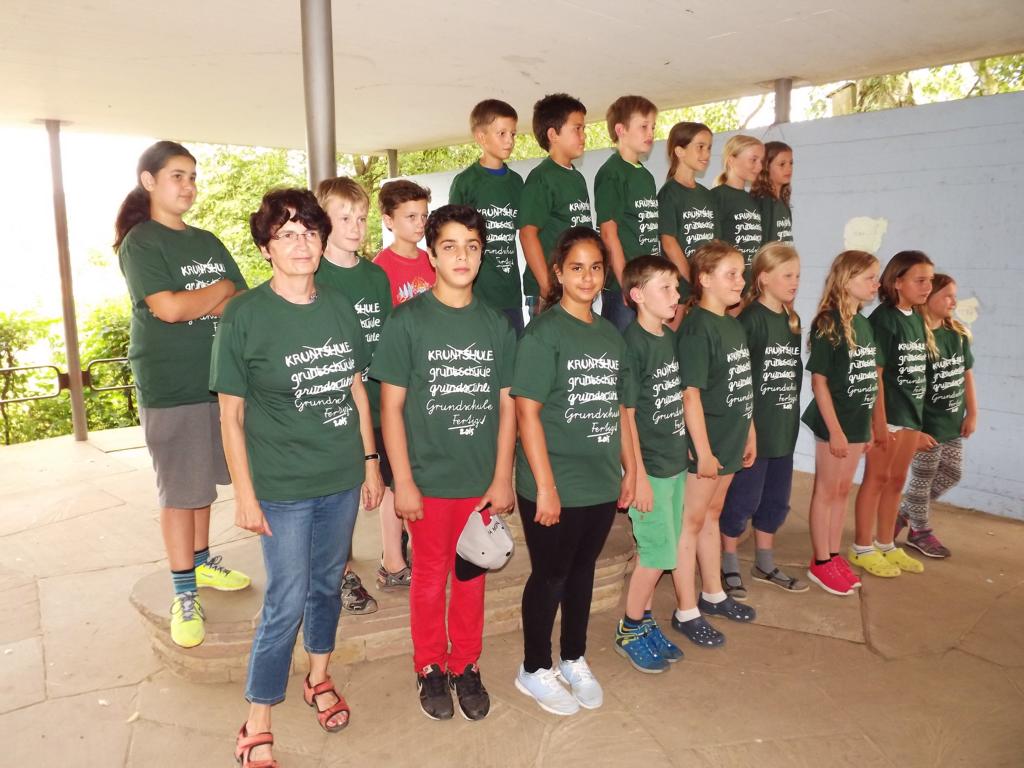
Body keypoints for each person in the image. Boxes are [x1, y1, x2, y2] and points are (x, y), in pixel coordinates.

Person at [211, 188, 384, 768]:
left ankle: (319, 676)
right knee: (285, 599)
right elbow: (231, 416)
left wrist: (370, 461)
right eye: (286, 234)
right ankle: (258, 716)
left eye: (309, 231)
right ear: (266, 248)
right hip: (281, 485)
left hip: (340, 476)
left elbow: (356, 388)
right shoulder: (245, 314)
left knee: (327, 584)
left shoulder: (339, 306)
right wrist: (245, 494)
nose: (301, 243)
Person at [372, 204, 518, 721]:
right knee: (430, 578)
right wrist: (403, 482)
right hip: (428, 482)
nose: (462, 256)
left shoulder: (496, 325)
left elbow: (507, 406)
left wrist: (503, 477)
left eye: (472, 247)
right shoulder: (407, 321)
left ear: (482, 255)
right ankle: (430, 665)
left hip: (479, 484)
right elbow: (390, 408)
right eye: (450, 246)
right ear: (431, 255)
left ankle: (466, 664)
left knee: (473, 577)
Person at [115, 140, 250, 651]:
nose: (188, 186)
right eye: (177, 175)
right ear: (149, 181)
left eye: (192, 176)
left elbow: (240, 299)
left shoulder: (206, 240)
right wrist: (215, 293)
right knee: (179, 491)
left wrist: (204, 298)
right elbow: (169, 309)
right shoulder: (141, 242)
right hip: (171, 386)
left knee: (202, 484)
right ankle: (183, 591)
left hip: (215, 380)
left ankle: (200, 562)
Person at [512, 227, 635, 715]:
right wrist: (545, 487)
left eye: (596, 268)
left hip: (599, 481)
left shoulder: (610, 336)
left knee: (582, 573)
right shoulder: (544, 334)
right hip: (553, 482)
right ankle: (534, 667)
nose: (587, 277)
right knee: (550, 575)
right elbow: (527, 414)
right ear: (558, 273)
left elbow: (619, 410)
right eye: (577, 267)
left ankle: (572, 657)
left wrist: (629, 470)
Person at [314, 176, 394, 615]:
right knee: (341, 495)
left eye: (361, 218)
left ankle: (392, 558)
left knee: (382, 483)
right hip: (336, 408)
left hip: (378, 401)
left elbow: (386, 337)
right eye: (344, 218)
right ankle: (341, 571)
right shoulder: (314, 275)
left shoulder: (375, 276)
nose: (355, 226)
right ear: (323, 222)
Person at [672, 240, 757, 648]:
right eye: (731, 274)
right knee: (690, 522)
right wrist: (702, 450)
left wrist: (749, 431)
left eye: (741, 273)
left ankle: (713, 593)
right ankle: (686, 610)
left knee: (713, 514)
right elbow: (689, 395)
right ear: (704, 279)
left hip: (731, 438)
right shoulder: (697, 328)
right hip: (707, 443)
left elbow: (742, 385)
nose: (741, 281)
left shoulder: (732, 324)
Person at [720, 243, 808, 598]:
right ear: (764, 278)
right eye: (787, 275)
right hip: (755, 431)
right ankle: (728, 561)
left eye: (798, 275)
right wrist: (746, 428)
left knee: (776, 501)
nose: (795, 282)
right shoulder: (751, 320)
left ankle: (764, 562)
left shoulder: (792, 320)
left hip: (783, 429)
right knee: (742, 500)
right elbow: (738, 378)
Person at [615, 255, 688, 673]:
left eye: (676, 288)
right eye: (666, 288)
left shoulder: (667, 337)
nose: (676, 296)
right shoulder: (633, 345)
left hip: (673, 462)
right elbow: (626, 416)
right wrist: (637, 475)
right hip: (651, 471)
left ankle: (643, 620)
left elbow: (672, 397)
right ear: (637, 295)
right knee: (655, 555)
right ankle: (629, 628)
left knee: (665, 548)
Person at [801, 250, 881, 595]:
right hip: (835, 424)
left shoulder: (864, 324)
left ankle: (833, 555)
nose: (876, 284)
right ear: (847, 281)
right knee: (827, 491)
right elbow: (819, 382)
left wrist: (868, 427)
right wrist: (834, 430)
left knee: (842, 492)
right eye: (869, 278)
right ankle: (820, 562)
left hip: (857, 423)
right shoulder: (828, 322)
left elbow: (869, 379)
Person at [852, 250, 935, 578]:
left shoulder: (916, 317)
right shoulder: (884, 320)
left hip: (911, 415)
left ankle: (886, 543)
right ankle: (862, 547)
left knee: (897, 480)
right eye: (920, 280)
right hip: (888, 416)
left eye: (930, 280)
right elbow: (875, 375)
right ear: (897, 282)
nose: (927, 287)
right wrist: (878, 422)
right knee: (876, 478)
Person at [896, 273, 977, 558]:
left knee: (952, 473)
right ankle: (919, 532)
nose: (953, 301)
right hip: (925, 424)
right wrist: (912, 429)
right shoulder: (916, 338)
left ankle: (902, 513)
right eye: (947, 296)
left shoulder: (957, 335)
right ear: (928, 299)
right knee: (924, 477)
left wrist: (972, 413)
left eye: (954, 295)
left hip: (952, 422)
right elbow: (905, 385)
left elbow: (967, 376)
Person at [448, 99, 526, 334]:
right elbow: (452, 238)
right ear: (481, 137)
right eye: (502, 133)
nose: (509, 140)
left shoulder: (517, 183)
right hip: (476, 294)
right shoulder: (466, 182)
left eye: (513, 134)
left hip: (511, 294)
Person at [517, 93, 593, 319]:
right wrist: (547, 287)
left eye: (584, 129)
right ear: (553, 134)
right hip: (551, 293)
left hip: (575, 288)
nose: (583, 136)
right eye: (577, 129)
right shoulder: (542, 178)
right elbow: (527, 234)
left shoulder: (577, 177)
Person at [594, 95, 660, 332]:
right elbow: (608, 233)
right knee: (622, 346)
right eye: (643, 126)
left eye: (653, 127)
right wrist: (625, 283)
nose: (650, 133)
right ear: (621, 130)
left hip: (647, 281)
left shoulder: (645, 175)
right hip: (624, 285)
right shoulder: (612, 173)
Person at [657, 121, 719, 303]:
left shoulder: (707, 195)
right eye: (700, 147)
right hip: (681, 289)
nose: (706, 154)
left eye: (709, 148)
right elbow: (669, 243)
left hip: (707, 284)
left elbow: (715, 242)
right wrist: (694, 282)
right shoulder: (669, 193)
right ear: (679, 151)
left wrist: (711, 281)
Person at [711, 135, 765, 290]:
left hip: (749, 284)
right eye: (753, 160)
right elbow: (712, 244)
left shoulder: (752, 200)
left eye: (761, 161)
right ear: (731, 160)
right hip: (729, 284)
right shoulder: (717, 196)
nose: (759, 167)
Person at [373, 179, 435, 308]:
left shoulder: (433, 261)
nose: (421, 223)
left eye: (424, 216)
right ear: (388, 221)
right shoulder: (379, 269)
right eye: (412, 216)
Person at [750, 141, 794, 244]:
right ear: (766, 167)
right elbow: (763, 243)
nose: (789, 168)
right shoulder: (764, 202)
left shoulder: (783, 203)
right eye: (782, 164)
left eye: (791, 163)